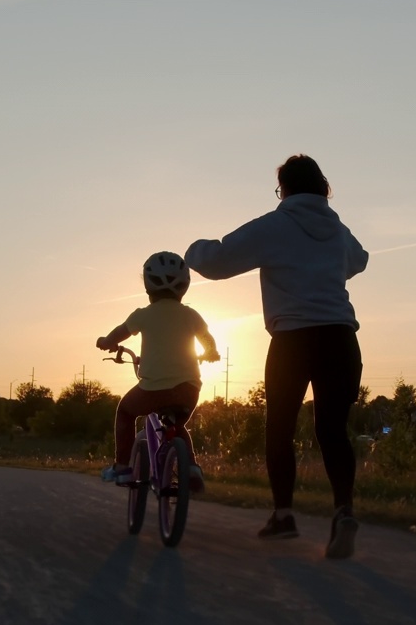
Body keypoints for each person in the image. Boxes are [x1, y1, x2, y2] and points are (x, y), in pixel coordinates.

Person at [185, 154, 367, 559]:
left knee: (279, 427)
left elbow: (217, 261)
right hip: (341, 336)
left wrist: (191, 251)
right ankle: (344, 512)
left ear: (283, 189)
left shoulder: (275, 224)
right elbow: (360, 260)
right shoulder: (338, 229)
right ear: (323, 188)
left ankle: (283, 515)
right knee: (333, 430)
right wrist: (324, 266)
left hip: (292, 340)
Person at [96, 251, 219, 491]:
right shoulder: (191, 315)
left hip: (153, 387)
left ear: (148, 286)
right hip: (188, 388)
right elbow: (207, 339)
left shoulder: (142, 315)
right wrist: (211, 352)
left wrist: (106, 342)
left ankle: (122, 466)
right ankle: (192, 468)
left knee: (125, 412)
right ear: (184, 286)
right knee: (178, 426)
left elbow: (119, 334)